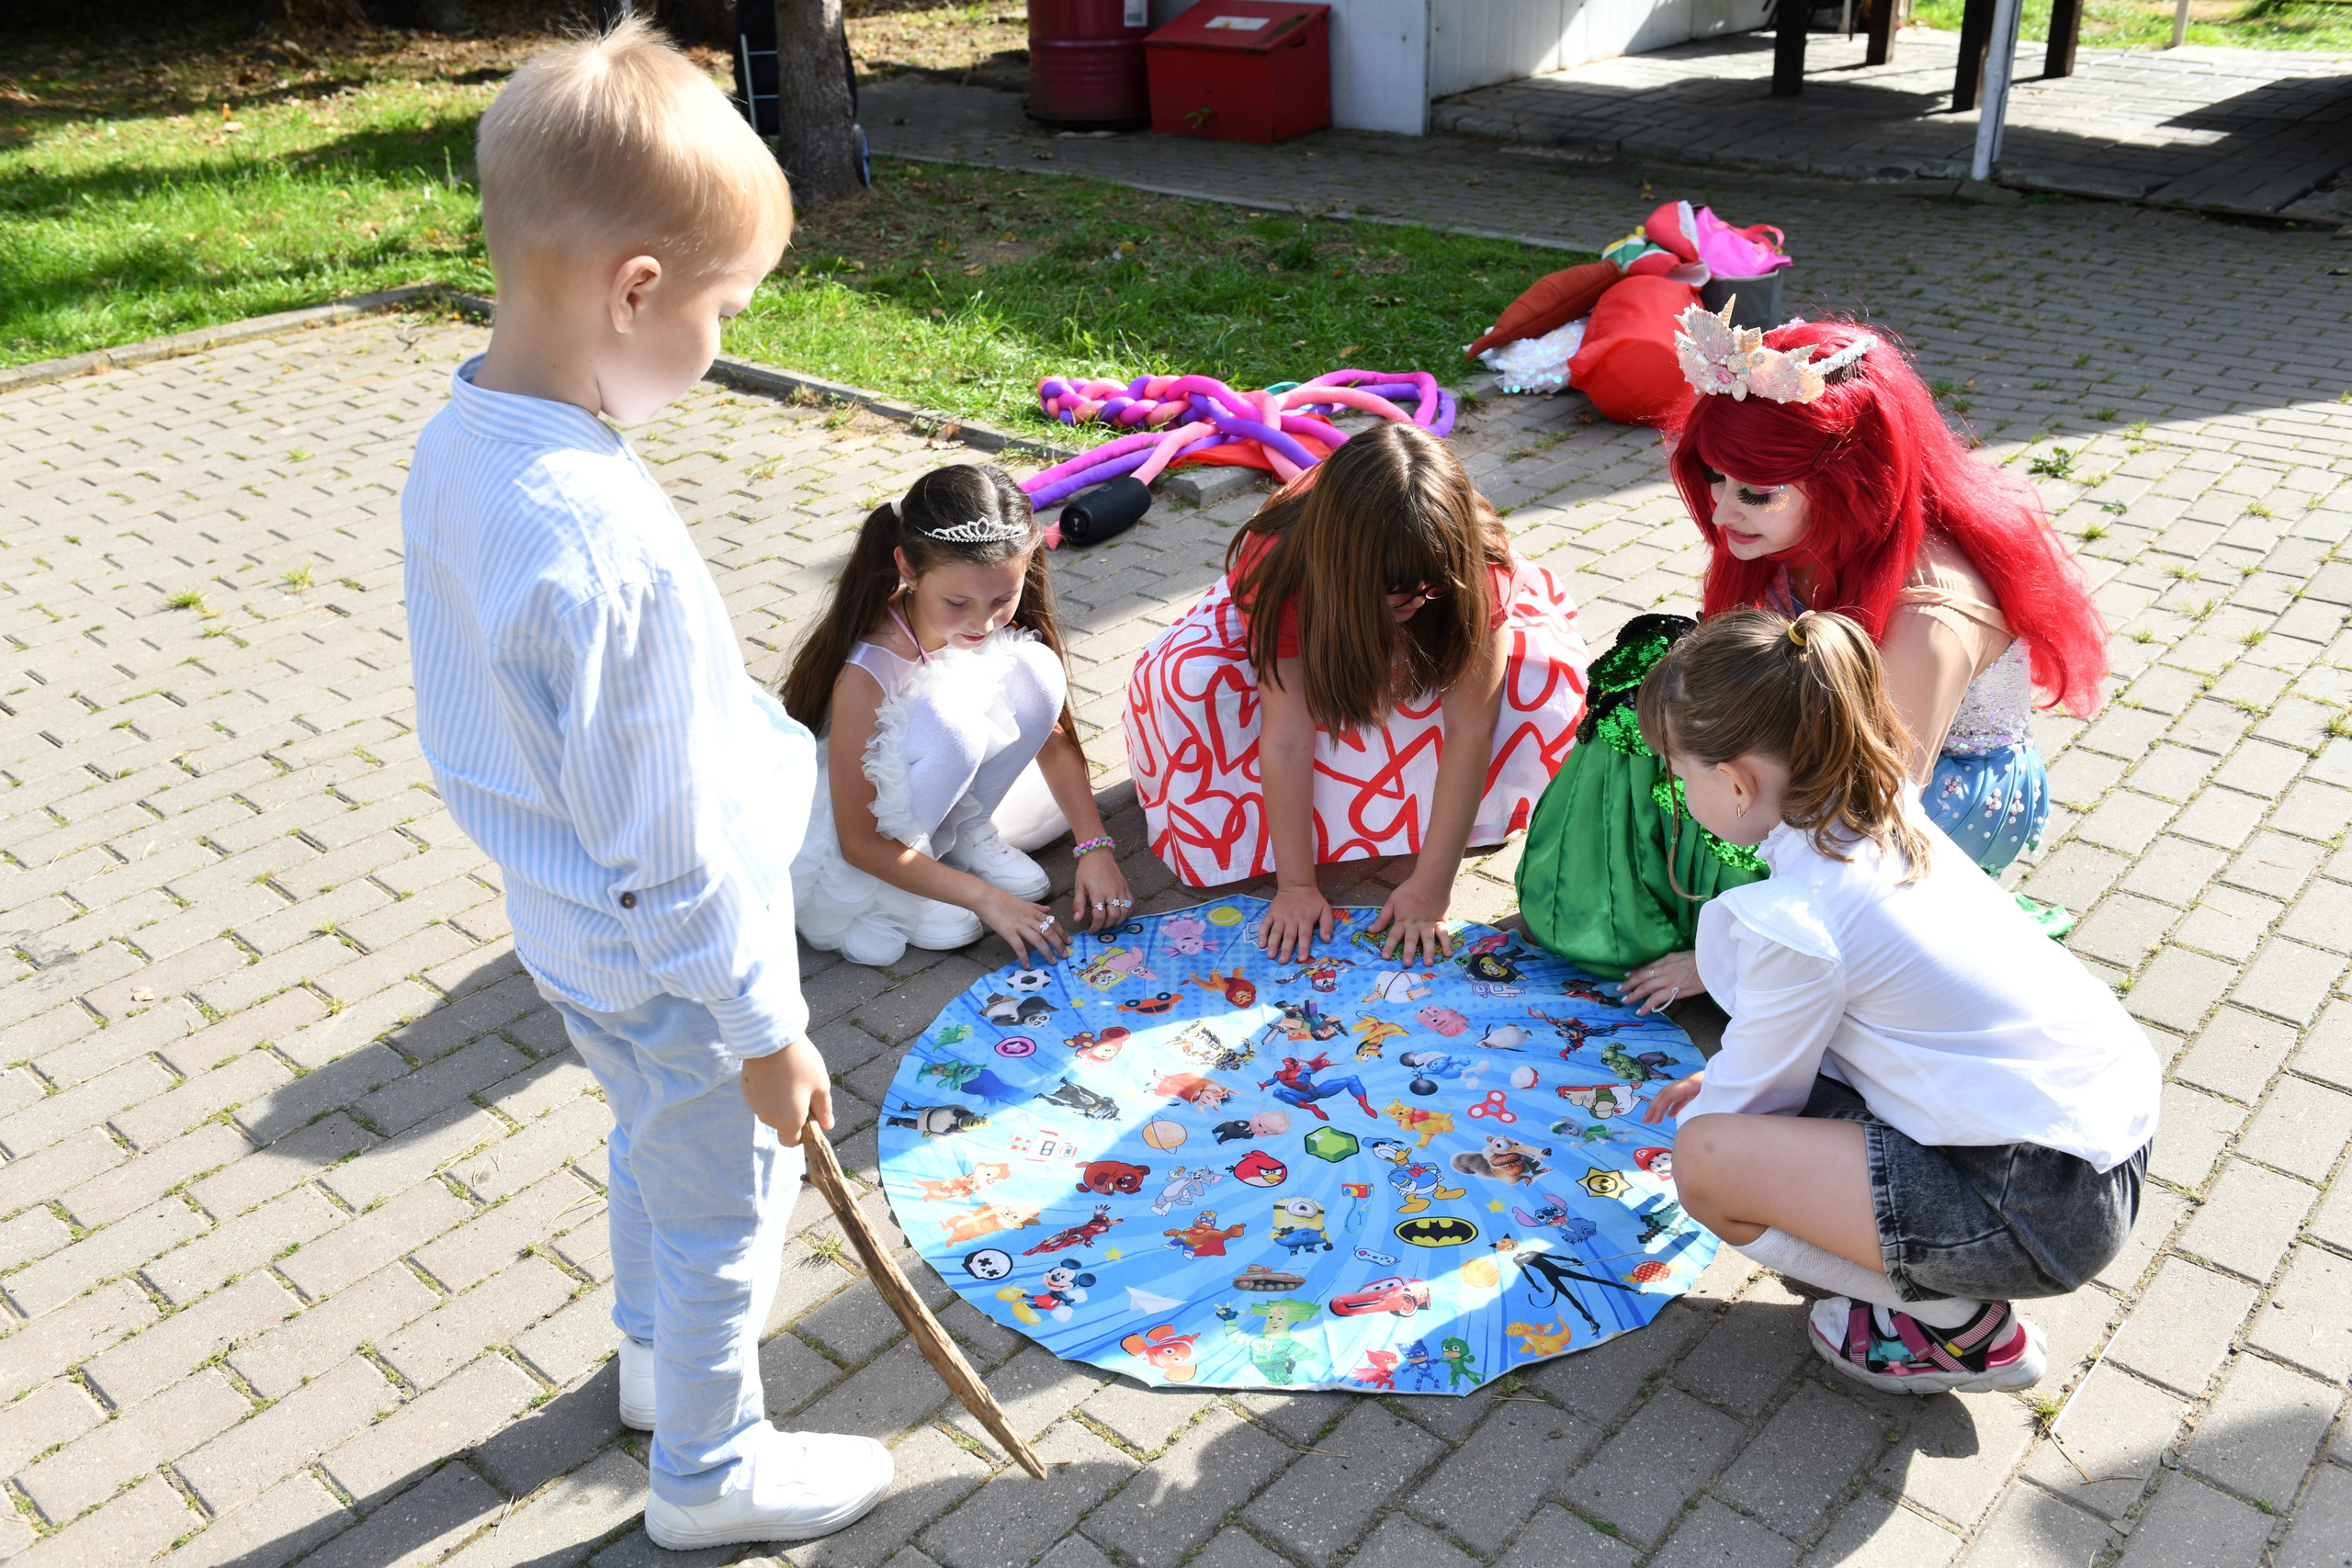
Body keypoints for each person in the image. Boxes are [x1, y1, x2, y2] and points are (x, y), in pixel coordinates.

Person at [401, 25, 889, 1548]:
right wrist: (768, 1024)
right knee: (730, 1203)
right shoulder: (597, 543)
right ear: (635, 289)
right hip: (681, 963)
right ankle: (709, 1465)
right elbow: (666, 847)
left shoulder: (467, 437)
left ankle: (652, 1363)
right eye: (728, 310)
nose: (726, 338)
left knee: (652, 1145)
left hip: (576, 937)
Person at [1519, 303, 2109, 1004]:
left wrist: (1725, 962)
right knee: (1633, 722)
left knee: (1722, 799)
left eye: (1756, 491)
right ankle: (1620, 911)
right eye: (1712, 476)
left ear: (1846, 481)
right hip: (1828, 755)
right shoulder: (1786, 542)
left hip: (1933, 794)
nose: (1720, 510)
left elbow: (1873, 823)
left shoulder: (1929, 612)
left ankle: (1704, 929)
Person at [1635, 609, 2155, 1393]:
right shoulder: (1879, 803)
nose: (1677, 788)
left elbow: (1742, 1119)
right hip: (2103, 1143)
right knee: (1741, 1115)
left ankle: (1958, 1323)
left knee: (1705, 1159)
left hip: (2039, 1211)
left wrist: (1716, 1105)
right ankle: (1939, 1287)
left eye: (1680, 773)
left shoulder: (1797, 915)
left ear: (1736, 781)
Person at [1125, 422, 1589, 964]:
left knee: (1540, 676)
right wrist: (1297, 887)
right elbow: (1287, 738)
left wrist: (1432, 888)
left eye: (1429, 587)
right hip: (1310, 590)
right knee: (1192, 684)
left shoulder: (1474, 566)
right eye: (1396, 590)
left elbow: (1471, 728)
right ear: (1343, 571)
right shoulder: (1278, 566)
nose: (1416, 601)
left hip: (1416, 578)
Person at [779, 463, 1133, 967]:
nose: (983, 622)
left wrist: (1094, 847)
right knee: (952, 724)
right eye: (957, 602)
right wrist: (986, 900)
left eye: (1002, 599)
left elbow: (1054, 738)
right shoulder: (866, 670)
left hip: (935, 780)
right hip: (868, 839)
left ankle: (963, 832)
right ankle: (912, 880)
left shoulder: (984, 619)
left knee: (1036, 668)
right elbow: (858, 842)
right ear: (907, 567)